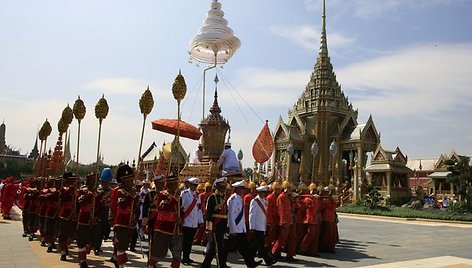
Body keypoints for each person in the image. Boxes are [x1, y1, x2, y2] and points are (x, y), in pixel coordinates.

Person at [147, 175, 183, 268]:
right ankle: (151, 265)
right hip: (164, 227)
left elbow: (179, 210)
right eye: (173, 184)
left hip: (176, 228)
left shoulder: (179, 197)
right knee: (159, 251)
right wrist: (174, 198)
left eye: (176, 184)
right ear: (169, 185)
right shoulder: (163, 195)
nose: (175, 186)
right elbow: (162, 208)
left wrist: (180, 217)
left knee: (177, 252)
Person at [109, 164, 140, 268]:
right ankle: (120, 264)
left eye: (131, 180)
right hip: (120, 221)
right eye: (129, 180)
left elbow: (137, 209)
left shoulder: (135, 194)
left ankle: (115, 259)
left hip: (130, 223)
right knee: (121, 245)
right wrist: (111, 218)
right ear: (123, 181)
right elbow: (113, 206)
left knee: (123, 244)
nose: (131, 182)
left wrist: (135, 219)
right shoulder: (117, 192)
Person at [227, 180, 262, 268]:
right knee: (226, 247)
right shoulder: (233, 199)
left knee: (244, 247)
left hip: (240, 228)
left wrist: (243, 227)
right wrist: (233, 229)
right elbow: (231, 216)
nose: (243, 191)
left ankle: (251, 264)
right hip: (234, 228)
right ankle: (219, 261)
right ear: (237, 189)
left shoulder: (239, 198)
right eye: (242, 189)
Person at [201, 177, 229, 268]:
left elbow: (225, 213)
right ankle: (221, 265)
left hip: (221, 225)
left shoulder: (224, 197)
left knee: (214, 247)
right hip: (215, 225)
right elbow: (208, 214)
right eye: (222, 186)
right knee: (218, 247)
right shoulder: (212, 197)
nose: (224, 188)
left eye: (224, 186)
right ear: (217, 186)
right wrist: (208, 228)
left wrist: (226, 227)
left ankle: (205, 265)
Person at [249, 185, 276, 266]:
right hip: (257, 226)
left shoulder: (264, 201)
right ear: (259, 192)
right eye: (263, 192)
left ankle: (250, 258)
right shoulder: (255, 201)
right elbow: (252, 215)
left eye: (265, 193)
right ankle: (268, 260)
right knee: (259, 244)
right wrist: (252, 227)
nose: (264, 194)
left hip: (262, 226)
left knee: (257, 245)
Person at [272, 180, 297, 262]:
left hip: (291, 220)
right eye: (288, 188)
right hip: (285, 220)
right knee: (282, 237)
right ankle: (274, 252)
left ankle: (290, 255)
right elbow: (281, 210)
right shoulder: (281, 197)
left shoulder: (288, 197)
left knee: (292, 237)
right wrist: (284, 221)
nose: (290, 190)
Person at [180, 177, 203, 265]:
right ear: (190, 184)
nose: (195, 187)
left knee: (190, 242)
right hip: (186, 220)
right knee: (186, 241)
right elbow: (181, 207)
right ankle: (184, 258)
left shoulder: (197, 195)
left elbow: (198, 209)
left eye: (196, 185)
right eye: (193, 185)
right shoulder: (184, 193)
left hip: (194, 222)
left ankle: (187, 257)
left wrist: (200, 221)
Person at [58, 173, 78, 261]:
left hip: (74, 215)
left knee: (71, 235)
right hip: (65, 214)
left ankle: (65, 247)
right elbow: (63, 196)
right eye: (72, 181)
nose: (73, 182)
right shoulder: (64, 189)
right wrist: (71, 189)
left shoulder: (77, 191)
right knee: (63, 234)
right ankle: (63, 252)